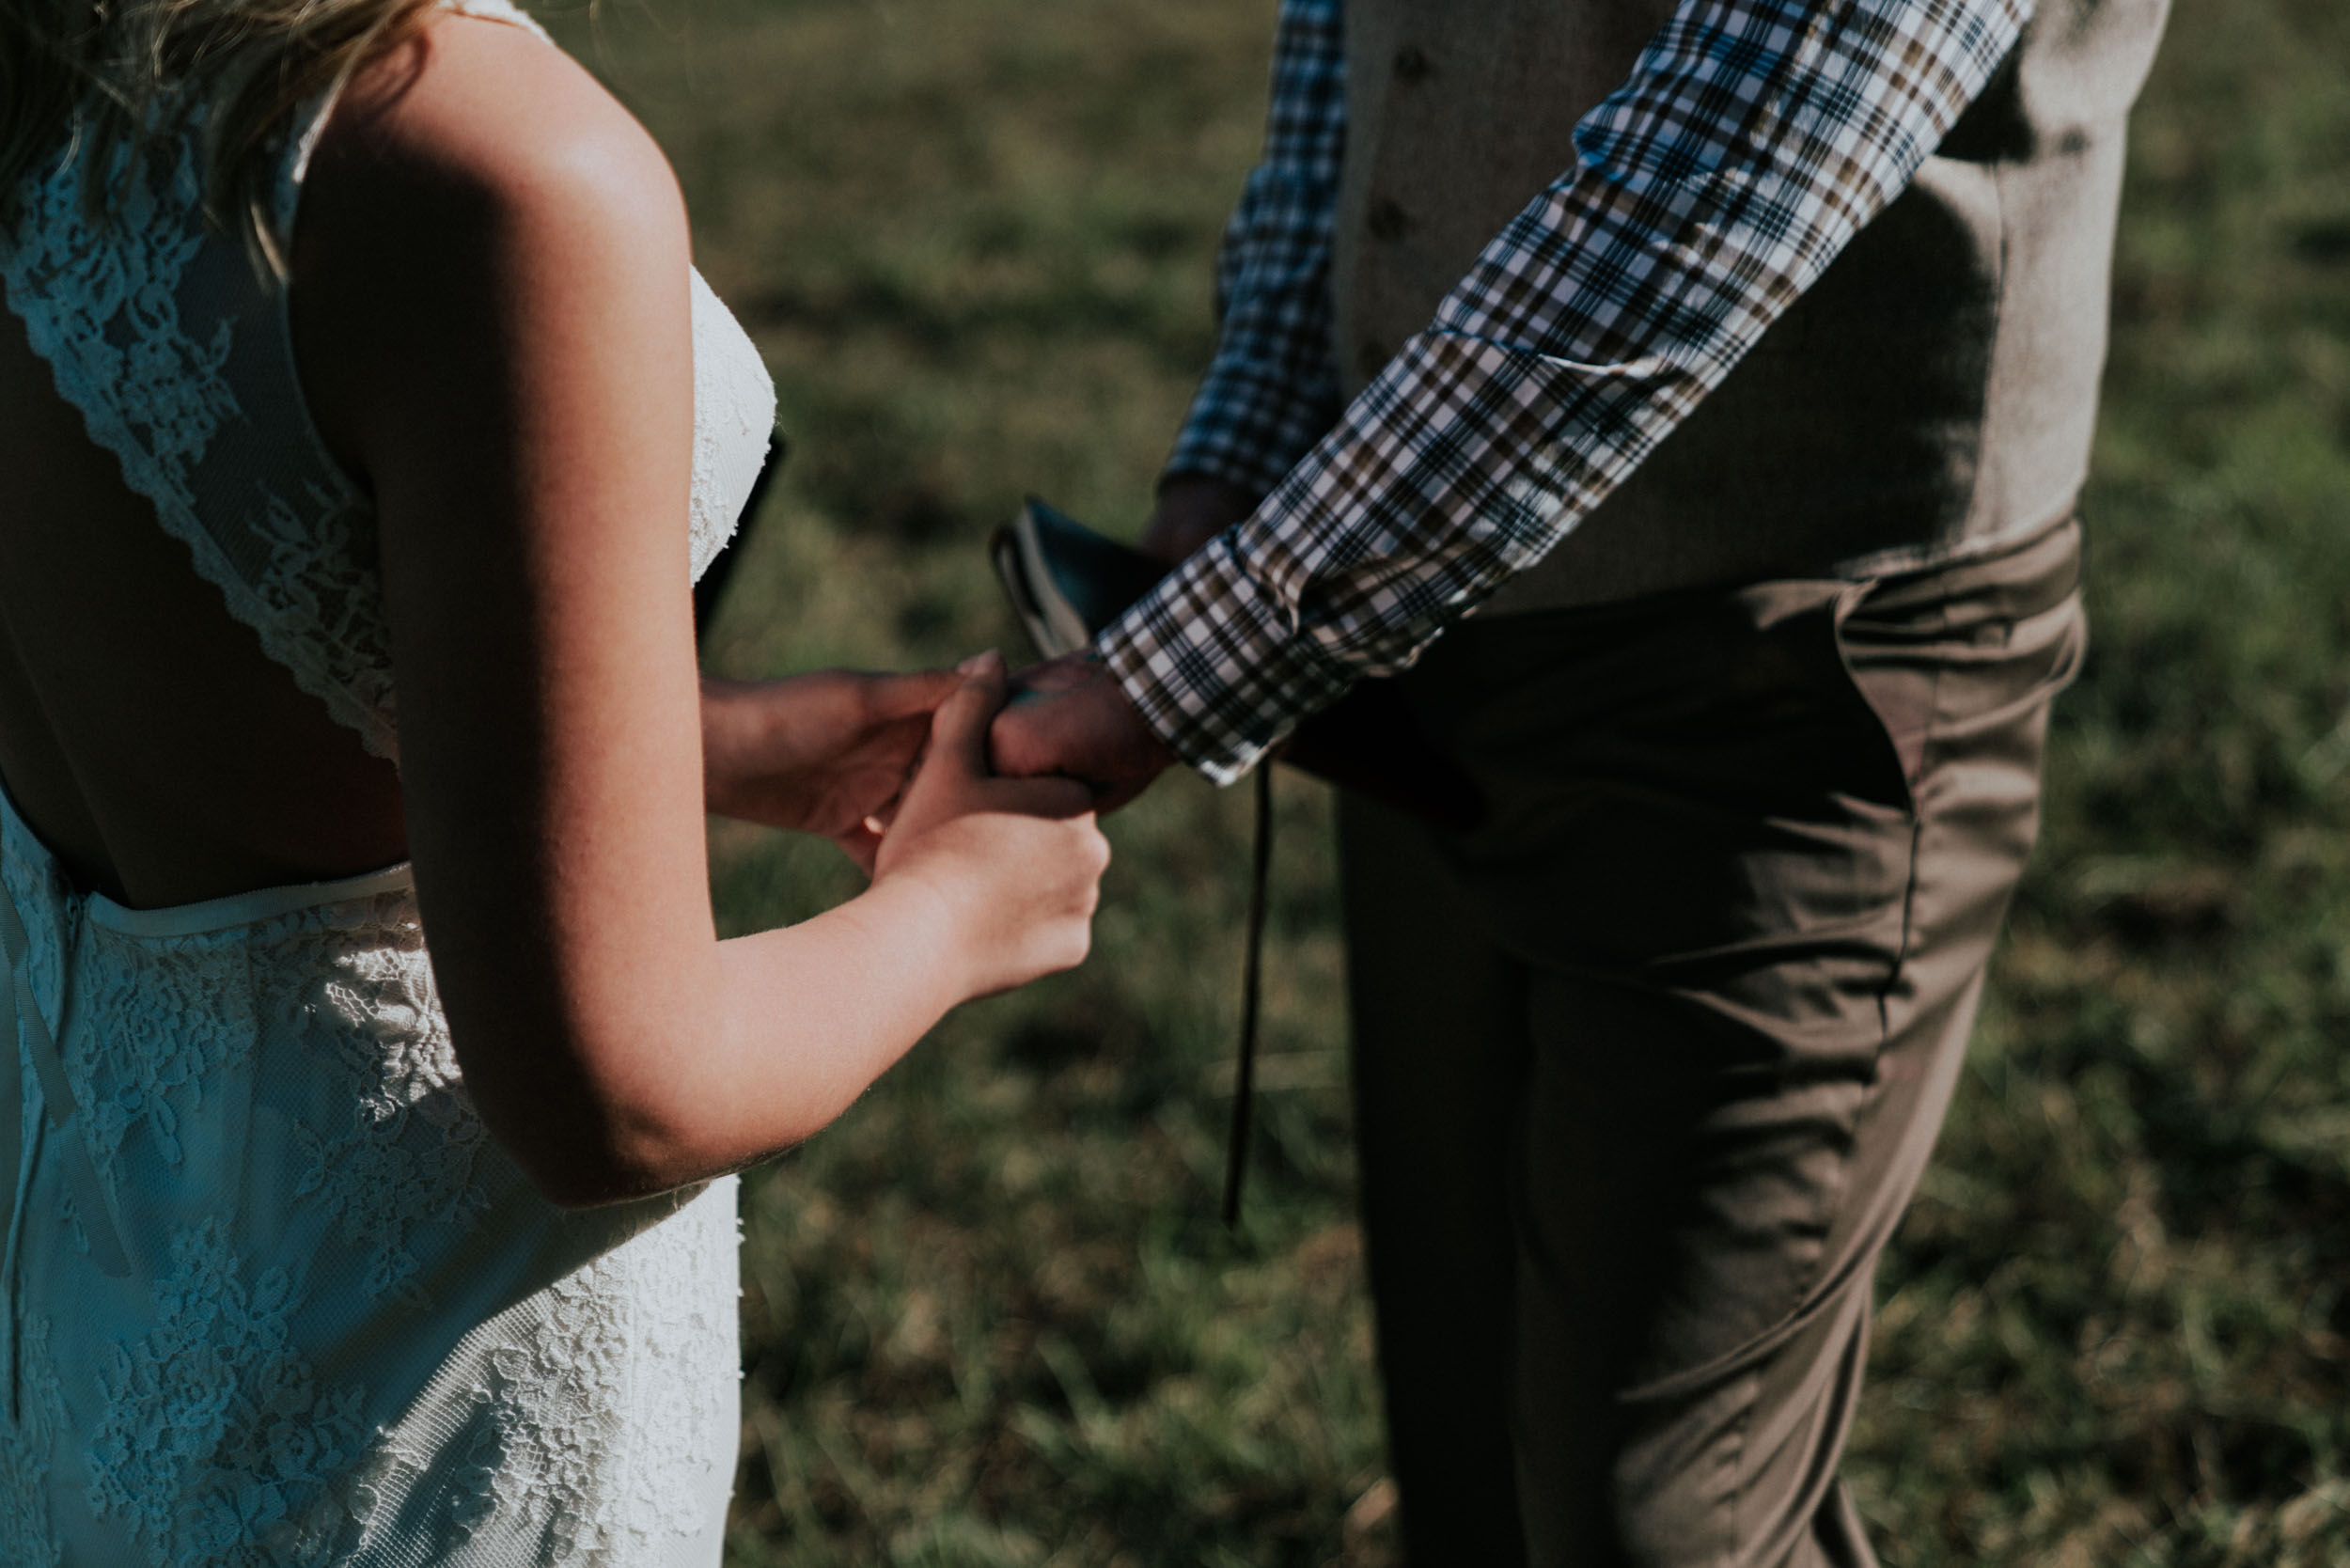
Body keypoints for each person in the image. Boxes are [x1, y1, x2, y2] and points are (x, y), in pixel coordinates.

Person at [993, 0, 2170, 1560]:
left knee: (1666, 1514)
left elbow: (1763, 122)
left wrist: (1207, 655)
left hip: (1801, 669)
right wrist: (1246, 449)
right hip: (1413, 596)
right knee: (1470, 1436)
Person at [0, 0, 1109, 1558]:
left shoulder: (76, 77)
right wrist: (966, 906)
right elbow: (615, 1087)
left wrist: (670, 743)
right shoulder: (486, 165)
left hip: (101, 1335)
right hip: (423, 1400)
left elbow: (149, 632)